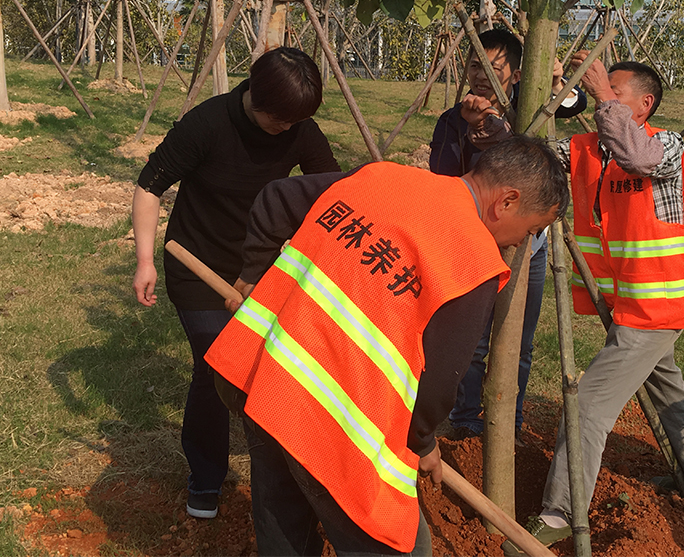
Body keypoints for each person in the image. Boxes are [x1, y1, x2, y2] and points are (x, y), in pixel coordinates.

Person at [205, 136, 569, 556]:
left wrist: (252, 274)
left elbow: (278, 197)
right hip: (331, 421)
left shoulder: (381, 176)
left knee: (284, 525)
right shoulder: (473, 259)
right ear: (506, 201)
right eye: (531, 231)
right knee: (402, 548)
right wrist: (423, 441)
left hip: (263, 375)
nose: (522, 244)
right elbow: (438, 384)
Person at [469, 52, 684, 555]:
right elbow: (528, 158)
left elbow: (637, 159)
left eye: (613, 91)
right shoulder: (585, 150)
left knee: (586, 406)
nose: (598, 94)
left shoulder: (664, 146)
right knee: (668, 389)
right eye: (598, 90)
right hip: (626, 306)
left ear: (643, 105)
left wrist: (602, 92)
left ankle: (561, 513)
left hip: (655, 309)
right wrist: (490, 124)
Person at [131, 47, 341, 520]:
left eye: (295, 122)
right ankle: (206, 478)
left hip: (262, 266)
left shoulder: (298, 128)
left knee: (280, 366)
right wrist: (144, 261)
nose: (286, 129)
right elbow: (149, 185)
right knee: (216, 368)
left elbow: (331, 193)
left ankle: (290, 473)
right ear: (255, 97)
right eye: (278, 120)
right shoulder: (207, 124)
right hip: (198, 265)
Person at [429, 28, 586, 443]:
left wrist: (556, 81)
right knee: (473, 339)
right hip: (477, 242)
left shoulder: (530, 110)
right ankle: (467, 419)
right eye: (474, 65)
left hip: (528, 244)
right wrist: (470, 129)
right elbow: (444, 176)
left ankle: (509, 423)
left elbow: (575, 102)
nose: (480, 76)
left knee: (521, 342)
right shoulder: (453, 120)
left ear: (517, 74)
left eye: (493, 67)